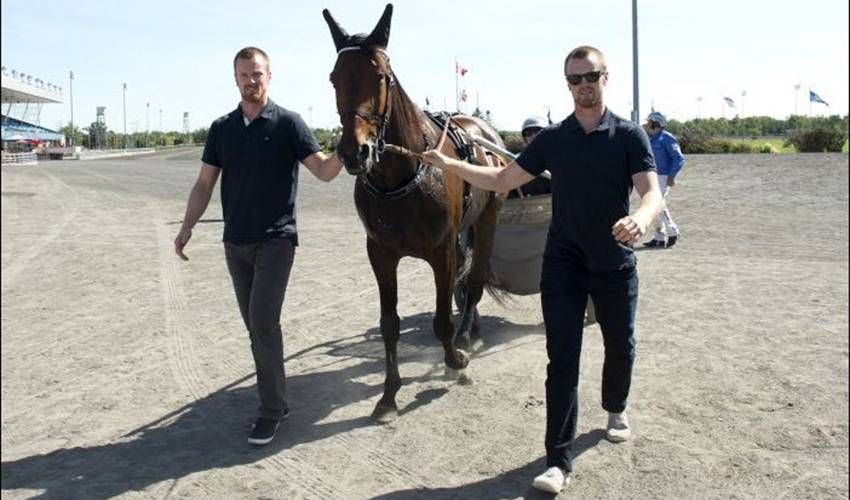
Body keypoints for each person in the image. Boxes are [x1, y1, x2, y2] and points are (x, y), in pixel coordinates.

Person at [421, 45, 662, 493]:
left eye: (591, 76)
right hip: (564, 265)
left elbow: (651, 194)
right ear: (567, 85)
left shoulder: (629, 136)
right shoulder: (553, 138)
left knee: (621, 347)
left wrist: (641, 220)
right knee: (562, 360)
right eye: (575, 79)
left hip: (613, 262)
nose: (584, 85)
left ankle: (615, 406)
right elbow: (501, 180)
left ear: (605, 78)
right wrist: (450, 164)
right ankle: (558, 461)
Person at [174, 47, 344, 446]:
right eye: (245, 75)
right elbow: (204, 184)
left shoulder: (289, 123)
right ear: (235, 78)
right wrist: (186, 227)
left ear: (270, 76)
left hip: (276, 240)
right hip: (235, 243)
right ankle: (278, 400)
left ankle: (270, 412)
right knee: (257, 327)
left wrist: (345, 149)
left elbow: (321, 170)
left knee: (263, 322)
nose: (252, 81)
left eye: (258, 74)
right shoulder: (222, 129)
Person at [643, 111, 685, 248]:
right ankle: (659, 237)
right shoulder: (650, 139)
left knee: (657, 204)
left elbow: (679, 158)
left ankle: (673, 231)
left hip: (663, 176)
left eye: (649, 122)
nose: (647, 124)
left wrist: (672, 176)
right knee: (653, 206)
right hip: (652, 176)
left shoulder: (667, 138)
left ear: (656, 123)